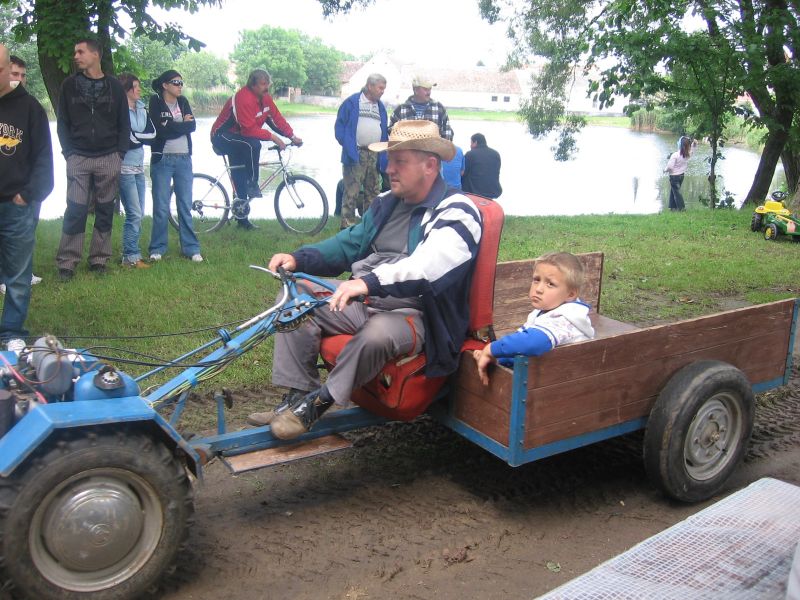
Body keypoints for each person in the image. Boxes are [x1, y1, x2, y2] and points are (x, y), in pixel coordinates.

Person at [248, 120, 483, 439]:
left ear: (430, 165)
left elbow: (428, 267)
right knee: (296, 296)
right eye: (389, 160)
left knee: (377, 334)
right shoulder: (386, 203)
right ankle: (297, 396)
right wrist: (300, 258)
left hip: (415, 314)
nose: (388, 169)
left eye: (400, 161)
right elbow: (349, 242)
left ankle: (317, 404)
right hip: (365, 300)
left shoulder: (458, 211)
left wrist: (367, 282)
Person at [55, 37, 129, 281]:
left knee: (105, 211)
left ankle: (99, 259)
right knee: (75, 210)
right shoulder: (69, 85)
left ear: (95, 55)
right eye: (75, 52)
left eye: (81, 52)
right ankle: (67, 262)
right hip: (78, 156)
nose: (76, 56)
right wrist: (68, 152)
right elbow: (62, 122)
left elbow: (124, 123)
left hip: (109, 156)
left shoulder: (114, 86)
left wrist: (119, 154)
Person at [0, 44, 54, 352]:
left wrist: (28, 195)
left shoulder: (30, 108)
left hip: (15, 204)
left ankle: (11, 331)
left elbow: (44, 159)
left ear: (9, 69)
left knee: (18, 274)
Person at [472, 252, 595, 386]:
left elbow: (532, 343)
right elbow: (521, 347)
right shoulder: (542, 312)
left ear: (570, 294)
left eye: (550, 284)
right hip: (546, 378)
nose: (539, 289)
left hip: (566, 383)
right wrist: (498, 359)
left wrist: (492, 349)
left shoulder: (565, 318)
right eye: (536, 279)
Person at [210, 68, 303, 230]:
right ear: (253, 85)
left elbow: (276, 119)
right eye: (263, 84)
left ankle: (242, 217)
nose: (267, 87)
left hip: (239, 138)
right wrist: (273, 137)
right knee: (253, 144)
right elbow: (249, 130)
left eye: (268, 84)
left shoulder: (265, 99)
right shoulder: (243, 98)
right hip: (221, 136)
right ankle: (253, 183)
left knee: (240, 174)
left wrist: (292, 136)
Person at [148, 69, 202, 263]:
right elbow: (160, 130)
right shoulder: (155, 101)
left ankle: (191, 248)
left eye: (181, 83)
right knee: (161, 206)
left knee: (185, 205)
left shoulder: (183, 102)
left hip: (184, 159)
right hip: (162, 159)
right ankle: (157, 248)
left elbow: (192, 126)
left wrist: (171, 124)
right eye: (176, 82)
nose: (180, 86)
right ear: (165, 85)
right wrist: (180, 125)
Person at [1, 54, 41, 294]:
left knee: (26, 232)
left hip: (26, 188)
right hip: (6, 190)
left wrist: (32, 190)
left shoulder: (31, 107)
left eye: (23, 75)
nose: (19, 79)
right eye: (15, 74)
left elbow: (42, 154)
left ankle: (22, 273)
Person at [334, 73, 389, 229]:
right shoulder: (352, 102)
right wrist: (349, 145)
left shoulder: (380, 107)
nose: (382, 91)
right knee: (352, 190)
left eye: (384, 89)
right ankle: (347, 226)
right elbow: (340, 128)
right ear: (370, 86)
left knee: (373, 191)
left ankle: (368, 225)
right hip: (356, 153)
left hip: (375, 154)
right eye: (380, 88)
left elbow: (383, 130)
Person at [118, 73, 155, 268]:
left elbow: (153, 134)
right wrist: (138, 137)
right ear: (126, 89)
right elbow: (127, 139)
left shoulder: (141, 108)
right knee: (133, 213)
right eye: (135, 86)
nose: (139, 89)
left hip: (139, 167)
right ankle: (130, 256)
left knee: (139, 213)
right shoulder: (118, 110)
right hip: (124, 168)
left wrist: (136, 137)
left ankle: (132, 253)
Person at [389, 75, 454, 141]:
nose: (429, 92)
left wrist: (442, 145)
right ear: (416, 90)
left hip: (433, 147)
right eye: (425, 89)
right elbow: (391, 132)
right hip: (407, 147)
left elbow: (447, 132)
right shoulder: (401, 110)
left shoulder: (439, 108)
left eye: (430, 89)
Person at [462, 133, 502, 199]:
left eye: (471, 143)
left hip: (474, 191)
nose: (470, 145)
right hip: (493, 191)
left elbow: (463, 173)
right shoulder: (496, 154)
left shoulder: (470, 154)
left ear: (475, 142)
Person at [664, 136, 694, 211]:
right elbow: (692, 150)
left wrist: (665, 170)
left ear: (680, 144)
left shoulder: (675, 155)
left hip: (674, 177)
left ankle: (681, 208)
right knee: (673, 191)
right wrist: (694, 145)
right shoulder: (687, 154)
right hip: (681, 176)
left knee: (677, 192)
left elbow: (670, 167)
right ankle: (672, 207)